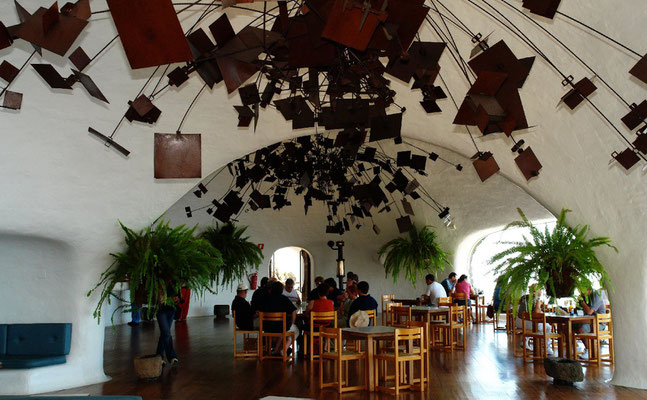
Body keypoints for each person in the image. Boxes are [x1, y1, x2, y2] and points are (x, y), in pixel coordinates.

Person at [263, 281, 300, 355]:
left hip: (267, 328)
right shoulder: (284, 299)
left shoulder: (266, 299)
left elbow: (260, 311)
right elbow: (294, 311)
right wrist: (292, 323)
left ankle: (276, 350)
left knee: (283, 330)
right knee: (296, 331)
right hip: (281, 327)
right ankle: (284, 349)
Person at [515, 284, 553, 354]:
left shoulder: (524, 297)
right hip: (528, 322)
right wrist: (538, 299)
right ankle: (547, 348)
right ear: (537, 291)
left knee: (536, 326)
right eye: (540, 290)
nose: (541, 291)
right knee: (547, 326)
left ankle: (524, 341)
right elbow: (537, 312)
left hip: (519, 321)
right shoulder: (535, 298)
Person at [574, 287, 607, 360]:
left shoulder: (596, 296)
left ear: (588, 289)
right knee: (569, 327)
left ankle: (589, 351)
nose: (581, 293)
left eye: (582, 291)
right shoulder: (584, 297)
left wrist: (582, 302)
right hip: (586, 322)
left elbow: (589, 312)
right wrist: (578, 303)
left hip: (599, 324)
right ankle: (570, 351)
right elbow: (576, 311)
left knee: (581, 329)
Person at [156, 284, 180, 366]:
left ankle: (159, 357)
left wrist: (177, 299)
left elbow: (178, 294)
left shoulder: (174, 280)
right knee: (166, 333)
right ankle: (172, 356)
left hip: (171, 309)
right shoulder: (158, 280)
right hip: (161, 310)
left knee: (164, 333)